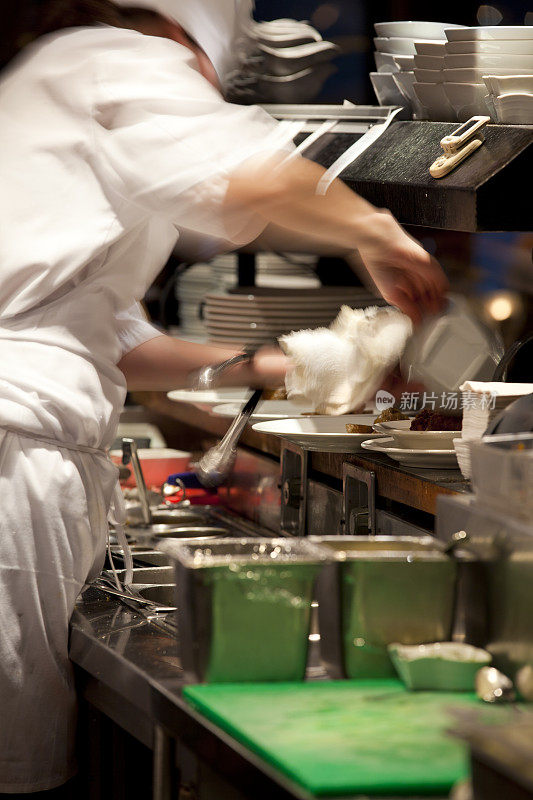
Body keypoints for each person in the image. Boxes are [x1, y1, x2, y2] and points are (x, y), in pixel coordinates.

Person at [0, 0, 447, 794]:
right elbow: (252, 178)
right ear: (190, 45)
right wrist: (373, 232)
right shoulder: (112, 58)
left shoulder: (54, 85)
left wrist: (279, 364)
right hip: (13, 469)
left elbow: (114, 344)